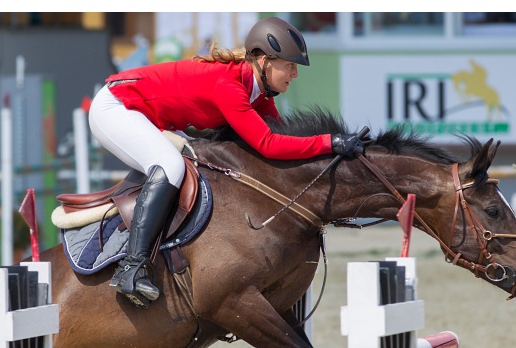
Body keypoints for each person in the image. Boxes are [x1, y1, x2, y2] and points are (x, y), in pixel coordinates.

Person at [89, 16, 365, 308]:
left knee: (193, 162)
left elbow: (283, 143)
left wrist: (330, 153)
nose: (294, 74)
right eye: (290, 65)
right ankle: (132, 268)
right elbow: (268, 145)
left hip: (143, 114)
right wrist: (329, 142)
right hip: (115, 107)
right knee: (170, 166)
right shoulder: (229, 85)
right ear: (264, 61)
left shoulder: (258, 93)